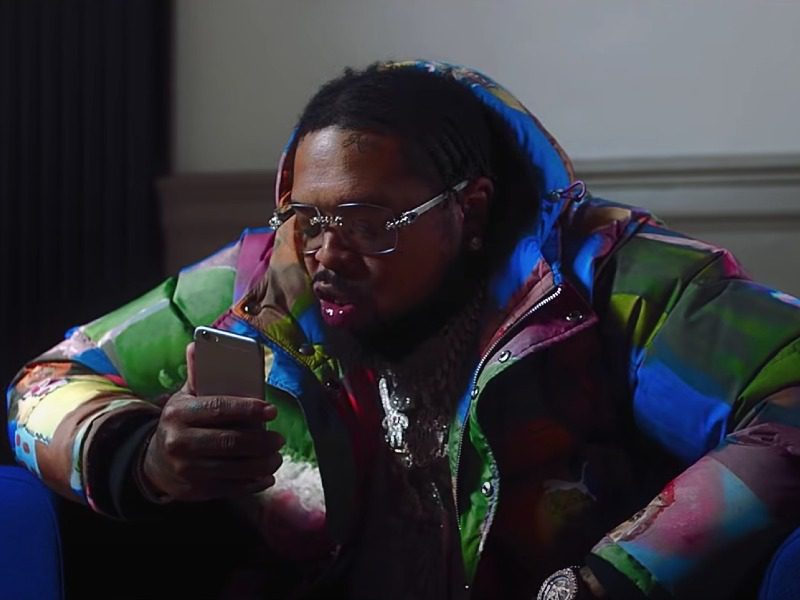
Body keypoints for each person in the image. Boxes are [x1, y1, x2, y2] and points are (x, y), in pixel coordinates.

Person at [7, 60, 800, 600]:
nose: (326, 255)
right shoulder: (262, 281)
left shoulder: (608, 279)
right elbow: (43, 383)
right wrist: (143, 458)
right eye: (307, 218)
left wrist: (612, 579)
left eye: (367, 222)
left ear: (471, 209)